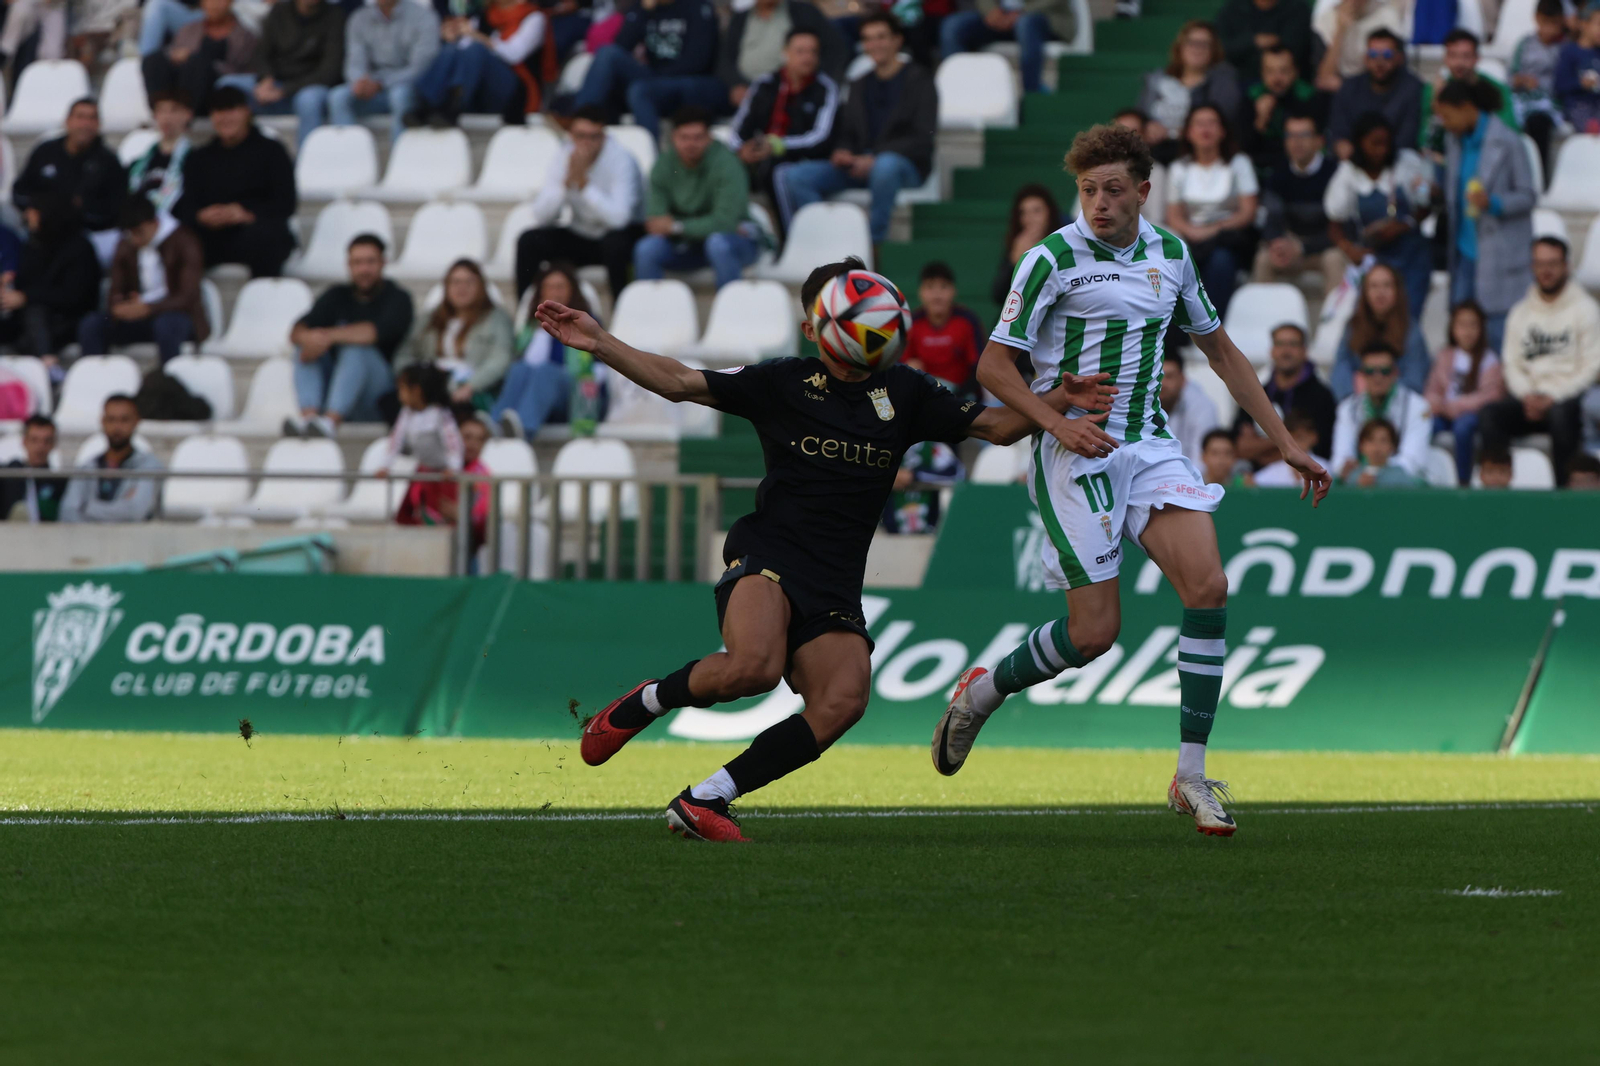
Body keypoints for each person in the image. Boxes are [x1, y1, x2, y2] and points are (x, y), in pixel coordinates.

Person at [541, 256, 1118, 843]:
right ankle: (648, 700)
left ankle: (707, 796)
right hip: (770, 554)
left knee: (843, 700)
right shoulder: (782, 381)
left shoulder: (907, 391)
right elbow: (681, 381)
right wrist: (601, 342)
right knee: (753, 669)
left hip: (836, 580)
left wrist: (1056, 396)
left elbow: (996, 427)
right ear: (816, 327)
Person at [940, 123, 1330, 837]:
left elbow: (1220, 349)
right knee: (1095, 636)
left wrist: (1285, 442)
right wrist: (1056, 424)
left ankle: (1189, 775)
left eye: (1113, 189)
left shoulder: (1171, 254)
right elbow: (992, 368)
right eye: (1088, 190)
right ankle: (983, 691)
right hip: (1074, 450)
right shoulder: (1050, 257)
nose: (1099, 203)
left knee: (1208, 587)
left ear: (1144, 192)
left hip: (1147, 441)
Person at [773, 13, 937, 247]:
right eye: (868, 39)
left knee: (885, 166)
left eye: (881, 37)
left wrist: (874, 158)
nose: (875, 45)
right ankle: (828, 242)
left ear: (897, 40)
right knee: (796, 176)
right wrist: (843, 151)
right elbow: (848, 130)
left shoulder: (920, 79)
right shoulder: (859, 82)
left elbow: (922, 136)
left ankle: (871, 245)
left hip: (903, 167)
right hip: (860, 165)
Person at [1481, 237, 1600, 487]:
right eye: (1540, 263)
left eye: (1553, 263)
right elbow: (1511, 364)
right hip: (1528, 398)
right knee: (1491, 415)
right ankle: (1498, 492)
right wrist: (1528, 395)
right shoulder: (1520, 312)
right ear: (1532, 267)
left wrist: (1552, 396)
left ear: (1566, 266)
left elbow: (1592, 367)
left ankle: (1562, 496)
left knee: (1561, 416)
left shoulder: (1586, 309)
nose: (1546, 270)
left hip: (1567, 398)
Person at [1435, 78, 1535, 355]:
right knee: (1461, 334)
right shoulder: (1454, 142)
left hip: (1499, 254)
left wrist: (1494, 203)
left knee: (1497, 334)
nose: (1445, 122)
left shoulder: (1509, 141)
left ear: (1467, 108)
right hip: (1464, 252)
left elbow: (1528, 195)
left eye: (1447, 115)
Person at [514, 107, 644, 302]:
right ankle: (526, 315)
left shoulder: (622, 159)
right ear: (571, 135)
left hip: (618, 237)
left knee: (615, 244)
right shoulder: (564, 154)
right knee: (529, 241)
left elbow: (619, 219)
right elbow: (542, 216)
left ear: (604, 136)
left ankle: (621, 313)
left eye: (594, 137)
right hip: (581, 234)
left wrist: (584, 185)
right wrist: (565, 184)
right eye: (580, 136)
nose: (586, 143)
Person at [290, 234, 415, 435]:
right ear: (348, 265)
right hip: (336, 388)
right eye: (357, 262)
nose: (363, 269)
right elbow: (297, 330)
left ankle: (330, 422)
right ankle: (310, 419)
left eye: (370, 262)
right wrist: (309, 339)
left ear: (383, 263)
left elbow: (372, 332)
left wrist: (326, 336)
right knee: (304, 346)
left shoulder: (398, 298)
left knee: (356, 351)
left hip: (377, 397)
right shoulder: (337, 295)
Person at [172, 85, 298, 278]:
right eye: (218, 111)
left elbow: (285, 203)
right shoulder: (199, 158)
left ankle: (262, 302)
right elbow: (187, 204)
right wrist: (201, 215)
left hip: (254, 231)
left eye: (231, 110)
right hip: (212, 236)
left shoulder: (272, 151)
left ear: (247, 112)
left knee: (268, 237)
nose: (225, 118)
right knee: (177, 242)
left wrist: (245, 214)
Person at [633, 107, 758, 290]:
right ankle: (650, 316)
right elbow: (656, 223)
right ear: (673, 138)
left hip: (736, 243)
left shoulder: (728, 163)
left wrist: (676, 226)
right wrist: (692, 227)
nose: (691, 144)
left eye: (698, 137)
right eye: (684, 138)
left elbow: (725, 223)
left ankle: (732, 314)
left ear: (709, 138)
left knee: (718, 244)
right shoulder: (663, 165)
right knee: (647, 248)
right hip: (687, 245)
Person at [1323, 112, 1433, 319]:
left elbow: (1424, 206)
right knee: (1373, 319)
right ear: (1359, 143)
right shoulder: (1348, 173)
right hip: (1375, 258)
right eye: (1374, 144)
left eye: (1386, 143)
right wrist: (1349, 249)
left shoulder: (1407, 163)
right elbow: (1334, 222)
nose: (1381, 150)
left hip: (1412, 258)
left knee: (1409, 317)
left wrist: (1403, 225)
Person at [77, 197, 208, 366]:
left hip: (177, 315)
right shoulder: (125, 244)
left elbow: (188, 296)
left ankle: (169, 382)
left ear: (154, 222)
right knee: (92, 325)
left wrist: (148, 308)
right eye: (130, 233)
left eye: (139, 232)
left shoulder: (184, 240)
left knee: (166, 325)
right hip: (139, 315)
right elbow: (115, 290)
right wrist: (121, 306)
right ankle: (94, 380)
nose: (135, 239)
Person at [571, 0, 722, 138]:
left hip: (688, 82)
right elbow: (622, 45)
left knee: (640, 90)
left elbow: (698, 61)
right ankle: (582, 121)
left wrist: (657, 78)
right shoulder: (644, 7)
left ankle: (650, 155)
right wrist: (642, 12)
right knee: (607, 53)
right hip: (655, 78)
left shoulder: (697, 6)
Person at [1163, 104, 1259, 318]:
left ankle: (1212, 326)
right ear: (1188, 132)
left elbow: (1247, 212)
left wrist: (1213, 230)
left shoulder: (1239, 163)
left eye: (1212, 123)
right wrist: (1192, 231)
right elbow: (1173, 215)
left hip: (1228, 238)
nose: (1205, 129)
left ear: (1223, 130)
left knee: (1221, 261)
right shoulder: (1179, 168)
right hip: (1190, 238)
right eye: (1199, 124)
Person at [727, 29, 841, 205]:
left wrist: (776, 146)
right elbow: (740, 126)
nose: (807, 57)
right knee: (724, 166)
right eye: (800, 51)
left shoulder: (825, 88)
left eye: (813, 52)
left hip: (803, 158)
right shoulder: (765, 84)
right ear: (785, 53)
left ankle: (788, 232)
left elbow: (820, 137)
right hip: (760, 155)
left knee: (779, 171)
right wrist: (741, 150)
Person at [493, 264, 605, 440]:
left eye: (560, 287)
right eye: (549, 287)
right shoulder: (531, 327)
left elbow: (598, 369)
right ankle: (495, 426)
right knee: (519, 369)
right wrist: (541, 331)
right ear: (541, 292)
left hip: (575, 397)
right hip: (540, 396)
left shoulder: (587, 323)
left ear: (572, 291)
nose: (555, 292)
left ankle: (523, 430)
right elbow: (528, 363)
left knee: (547, 371)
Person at [10, 99, 126, 264]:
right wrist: (31, 209)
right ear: (68, 121)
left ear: (99, 124)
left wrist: (77, 211)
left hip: (87, 235)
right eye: (80, 117)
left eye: (92, 118)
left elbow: (115, 209)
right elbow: (19, 190)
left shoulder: (108, 162)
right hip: (41, 230)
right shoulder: (45, 151)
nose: (85, 124)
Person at [408, 0, 553, 126]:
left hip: (514, 90)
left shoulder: (533, 17)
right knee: (451, 50)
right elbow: (464, 51)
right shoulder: (484, 15)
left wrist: (480, 38)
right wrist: (453, 37)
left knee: (477, 50)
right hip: (480, 88)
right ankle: (425, 104)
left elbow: (514, 53)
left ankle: (454, 104)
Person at [395, 259, 515, 405]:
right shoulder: (428, 319)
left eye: (469, 282)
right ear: (446, 287)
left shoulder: (496, 318)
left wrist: (471, 386)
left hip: (473, 388)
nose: (461, 288)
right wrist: (411, 379)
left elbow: (500, 358)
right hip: (430, 386)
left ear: (481, 287)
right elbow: (404, 353)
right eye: (456, 282)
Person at [1252, 112, 1343, 297]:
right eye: (1291, 136)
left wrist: (1302, 248)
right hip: (1291, 245)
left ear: (1320, 140)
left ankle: (1334, 324)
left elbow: (1341, 229)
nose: (1296, 142)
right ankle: (1267, 321)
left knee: (1334, 259)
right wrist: (1278, 243)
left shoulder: (1335, 174)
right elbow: (1271, 220)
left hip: (1324, 247)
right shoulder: (1278, 174)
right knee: (1264, 259)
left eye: (1304, 135)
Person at [0, 194, 101, 359]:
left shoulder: (79, 247)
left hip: (68, 320)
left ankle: (48, 364)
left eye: (32, 211)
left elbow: (74, 295)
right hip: (27, 320)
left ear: (46, 212)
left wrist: (27, 297)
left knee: (35, 311)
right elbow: (24, 283)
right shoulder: (33, 245)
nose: (27, 216)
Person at [327, 0, 439, 141]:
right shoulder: (359, 18)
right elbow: (354, 62)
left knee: (400, 95)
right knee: (338, 97)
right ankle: (351, 156)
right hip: (372, 89)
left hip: (408, 88)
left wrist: (381, 83)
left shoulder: (423, 17)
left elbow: (420, 68)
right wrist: (360, 82)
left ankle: (400, 158)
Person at [1425, 300, 1505, 485]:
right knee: (1426, 424)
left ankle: (1463, 482)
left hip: (1472, 416)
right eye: (1462, 325)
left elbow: (1490, 396)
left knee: (1463, 428)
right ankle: (1427, 477)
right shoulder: (1445, 355)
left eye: (1473, 325)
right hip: (1444, 413)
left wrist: (1453, 407)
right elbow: (1432, 389)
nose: (1467, 331)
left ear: (1481, 329)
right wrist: (1437, 404)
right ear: (1452, 328)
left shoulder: (1489, 360)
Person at [1235, 322, 1337, 466]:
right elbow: (1241, 448)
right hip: (1255, 480)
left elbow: (1317, 449)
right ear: (1272, 351)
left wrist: (1260, 446)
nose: (1286, 351)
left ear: (1304, 351)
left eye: (1293, 344)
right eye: (1280, 344)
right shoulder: (1256, 394)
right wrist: (1291, 438)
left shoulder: (1322, 396)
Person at [716, 0, 848, 107]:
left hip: (793, 88)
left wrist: (814, 81)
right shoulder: (740, 18)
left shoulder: (803, 12)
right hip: (748, 89)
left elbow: (836, 50)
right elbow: (725, 58)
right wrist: (736, 84)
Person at [251, 0, 346, 148]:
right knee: (231, 87)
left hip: (311, 84)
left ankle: (307, 163)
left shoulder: (335, 16)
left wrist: (284, 91)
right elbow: (261, 53)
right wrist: (265, 78)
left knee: (309, 100)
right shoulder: (279, 11)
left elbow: (329, 72)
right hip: (276, 81)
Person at [1137, 21, 1243, 152]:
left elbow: (1222, 122)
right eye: (1191, 42)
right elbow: (1139, 116)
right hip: (1153, 152)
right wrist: (1148, 126)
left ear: (1214, 50)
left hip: (1197, 155)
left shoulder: (1223, 83)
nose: (1197, 49)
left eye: (1205, 44)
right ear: (1180, 47)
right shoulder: (1158, 80)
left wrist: (1179, 132)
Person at [1330, 342, 1431, 478]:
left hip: (1401, 486)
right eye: (1370, 371)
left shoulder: (1418, 406)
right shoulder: (1347, 408)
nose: (1378, 378)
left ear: (1395, 373)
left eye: (1385, 371)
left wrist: (1371, 473)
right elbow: (1340, 461)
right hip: (1359, 484)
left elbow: (1412, 462)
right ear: (1361, 375)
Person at [59, 395, 164, 523]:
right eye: (111, 419)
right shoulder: (87, 467)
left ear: (136, 422)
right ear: (102, 421)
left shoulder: (150, 466)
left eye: (124, 420)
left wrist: (88, 507)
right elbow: (68, 512)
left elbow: (135, 511)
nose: (117, 427)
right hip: (88, 541)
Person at [1331, 262, 1430, 397]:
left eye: (1387, 285)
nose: (1380, 292)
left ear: (1397, 291)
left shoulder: (1411, 331)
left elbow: (1415, 380)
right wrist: (1350, 397)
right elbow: (1341, 366)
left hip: (1398, 407)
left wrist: (1381, 396)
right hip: (1357, 404)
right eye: (1374, 286)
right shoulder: (1353, 326)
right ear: (1365, 292)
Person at [140, 0, 258, 114]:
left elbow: (242, 69)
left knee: (197, 64)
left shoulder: (245, 35)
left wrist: (198, 58)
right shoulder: (189, 29)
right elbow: (174, 52)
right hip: (184, 80)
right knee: (153, 60)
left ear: (231, 2)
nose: (214, 4)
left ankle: (187, 113)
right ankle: (162, 112)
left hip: (219, 85)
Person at [386, 364, 467, 526]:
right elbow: (395, 440)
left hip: (444, 476)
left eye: (401, 389)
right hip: (422, 473)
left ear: (416, 391)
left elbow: (453, 443)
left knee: (441, 517)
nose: (398, 394)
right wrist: (385, 465)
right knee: (407, 517)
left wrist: (453, 467)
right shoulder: (405, 414)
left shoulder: (440, 414)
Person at [938, 0, 1077, 95]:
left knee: (1025, 24)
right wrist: (991, 11)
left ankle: (1031, 95)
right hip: (1000, 18)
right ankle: (958, 92)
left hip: (1044, 17)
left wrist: (1022, 11)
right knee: (952, 27)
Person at [1326, 29, 1425, 158]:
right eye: (1373, 54)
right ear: (1366, 58)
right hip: (1355, 163)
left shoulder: (1413, 88)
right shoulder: (1349, 88)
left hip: (1397, 162)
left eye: (1387, 55)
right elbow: (1339, 134)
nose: (1379, 61)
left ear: (1399, 58)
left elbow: (1407, 140)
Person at [1419, 29, 1520, 156]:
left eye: (1466, 56)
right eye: (1453, 56)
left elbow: (1510, 130)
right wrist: (1437, 105)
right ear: (1445, 58)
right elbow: (1424, 141)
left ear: (1477, 58)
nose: (1459, 63)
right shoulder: (1434, 90)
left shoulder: (1496, 90)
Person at [1244, 45, 1327, 176]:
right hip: (1260, 168)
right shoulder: (1251, 96)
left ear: (1295, 72)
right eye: (1270, 71)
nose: (1277, 78)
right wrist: (1261, 120)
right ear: (1262, 73)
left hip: (1300, 168)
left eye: (1284, 71)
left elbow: (1319, 144)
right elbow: (1244, 148)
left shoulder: (1309, 97)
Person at [1509, 0, 1568, 181]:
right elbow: (1510, 77)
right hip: (1522, 99)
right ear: (1537, 19)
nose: (1550, 30)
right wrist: (1522, 80)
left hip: (1550, 102)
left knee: (1538, 122)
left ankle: (1538, 178)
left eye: (1554, 24)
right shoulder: (1524, 44)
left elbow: (1564, 81)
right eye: (1546, 23)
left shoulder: (1565, 48)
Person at [905, 261, 983, 394]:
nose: (937, 294)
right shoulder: (911, 323)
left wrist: (957, 396)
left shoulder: (967, 321)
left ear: (954, 291)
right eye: (930, 287)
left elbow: (978, 367)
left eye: (944, 287)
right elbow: (901, 364)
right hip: (923, 396)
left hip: (962, 396)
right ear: (920, 292)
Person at [126, 91, 196, 219]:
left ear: (188, 114)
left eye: (173, 110)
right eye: (161, 110)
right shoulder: (138, 164)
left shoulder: (196, 161)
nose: (166, 117)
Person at [990, 184, 1064, 305]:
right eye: (1023, 212)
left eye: (1037, 211)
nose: (1029, 219)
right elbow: (999, 296)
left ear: (1050, 213)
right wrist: (1013, 262)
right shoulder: (1017, 245)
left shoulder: (1064, 244)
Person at [1314, 0, 1411, 89]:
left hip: (1377, 89)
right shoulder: (1326, 20)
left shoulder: (1387, 16)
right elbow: (1324, 79)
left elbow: (1397, 70)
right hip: (1340, 94)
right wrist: (1340, 30)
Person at [883, 440, 964, 532]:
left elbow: (958, 474)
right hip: (886, 531)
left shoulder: (932, 445)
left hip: (931, 530)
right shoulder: (881, 444)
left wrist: (914, 475)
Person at [1216, 0, 1314, 76]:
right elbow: (1222, 49)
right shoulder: (1232, 10)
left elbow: (1298, 48)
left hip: (1291, 83)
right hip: (1242, 81)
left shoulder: (1297, 8)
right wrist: (1253, 41)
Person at [0, 415, 66, 523]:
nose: (40, 447)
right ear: (24, 441)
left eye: (46, 441)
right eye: (34, 440)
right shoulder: (8, 475)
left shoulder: (60, 483)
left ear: (54, 444)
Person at [1160, 352, 1221, 463]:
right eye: (1158, 377)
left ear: (1182, 380)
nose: (1162, 384)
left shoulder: (1202, 407)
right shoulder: (1139, 405)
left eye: (1169, 377)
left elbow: (1200, 461)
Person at [1554, 1, 1600, 134]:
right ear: (1584, 24)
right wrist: (1581, 83)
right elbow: (1560, 85)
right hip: (1577, 105)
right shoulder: (1569, 52)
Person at [1339, 417, 1421, 485]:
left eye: (1383, 440)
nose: (1377, 446)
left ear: (1392, 446)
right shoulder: (1353, 476)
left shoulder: (1400, 476)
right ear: (1361, 446)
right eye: (1370, 440)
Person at [1251, 410, 1322, 485]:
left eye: (1301, 438)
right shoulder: (1272, 472)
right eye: (1293, 439)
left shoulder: (1325, 469)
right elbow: (1251, 482)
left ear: (1314, 437)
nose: (1297, 444)